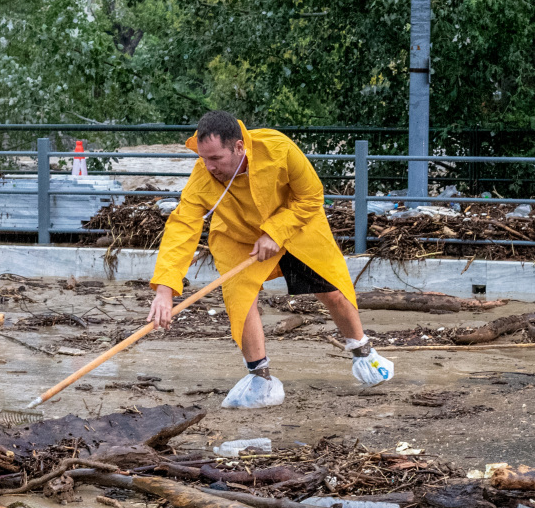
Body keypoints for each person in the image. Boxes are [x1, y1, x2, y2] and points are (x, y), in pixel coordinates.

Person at [146, 110, 393, 408]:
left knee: (332, 292)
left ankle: (364, 353)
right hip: (239, 238)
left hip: (295, 228)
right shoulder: (203, 175)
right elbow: (183, 225)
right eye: (203, 158)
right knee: (241, 299)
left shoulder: (279, 149)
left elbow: (311, 196)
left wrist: (276, 232)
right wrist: (164, 289)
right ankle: (260, 377)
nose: (208, 167)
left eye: (215, 159)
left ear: (239, 146)